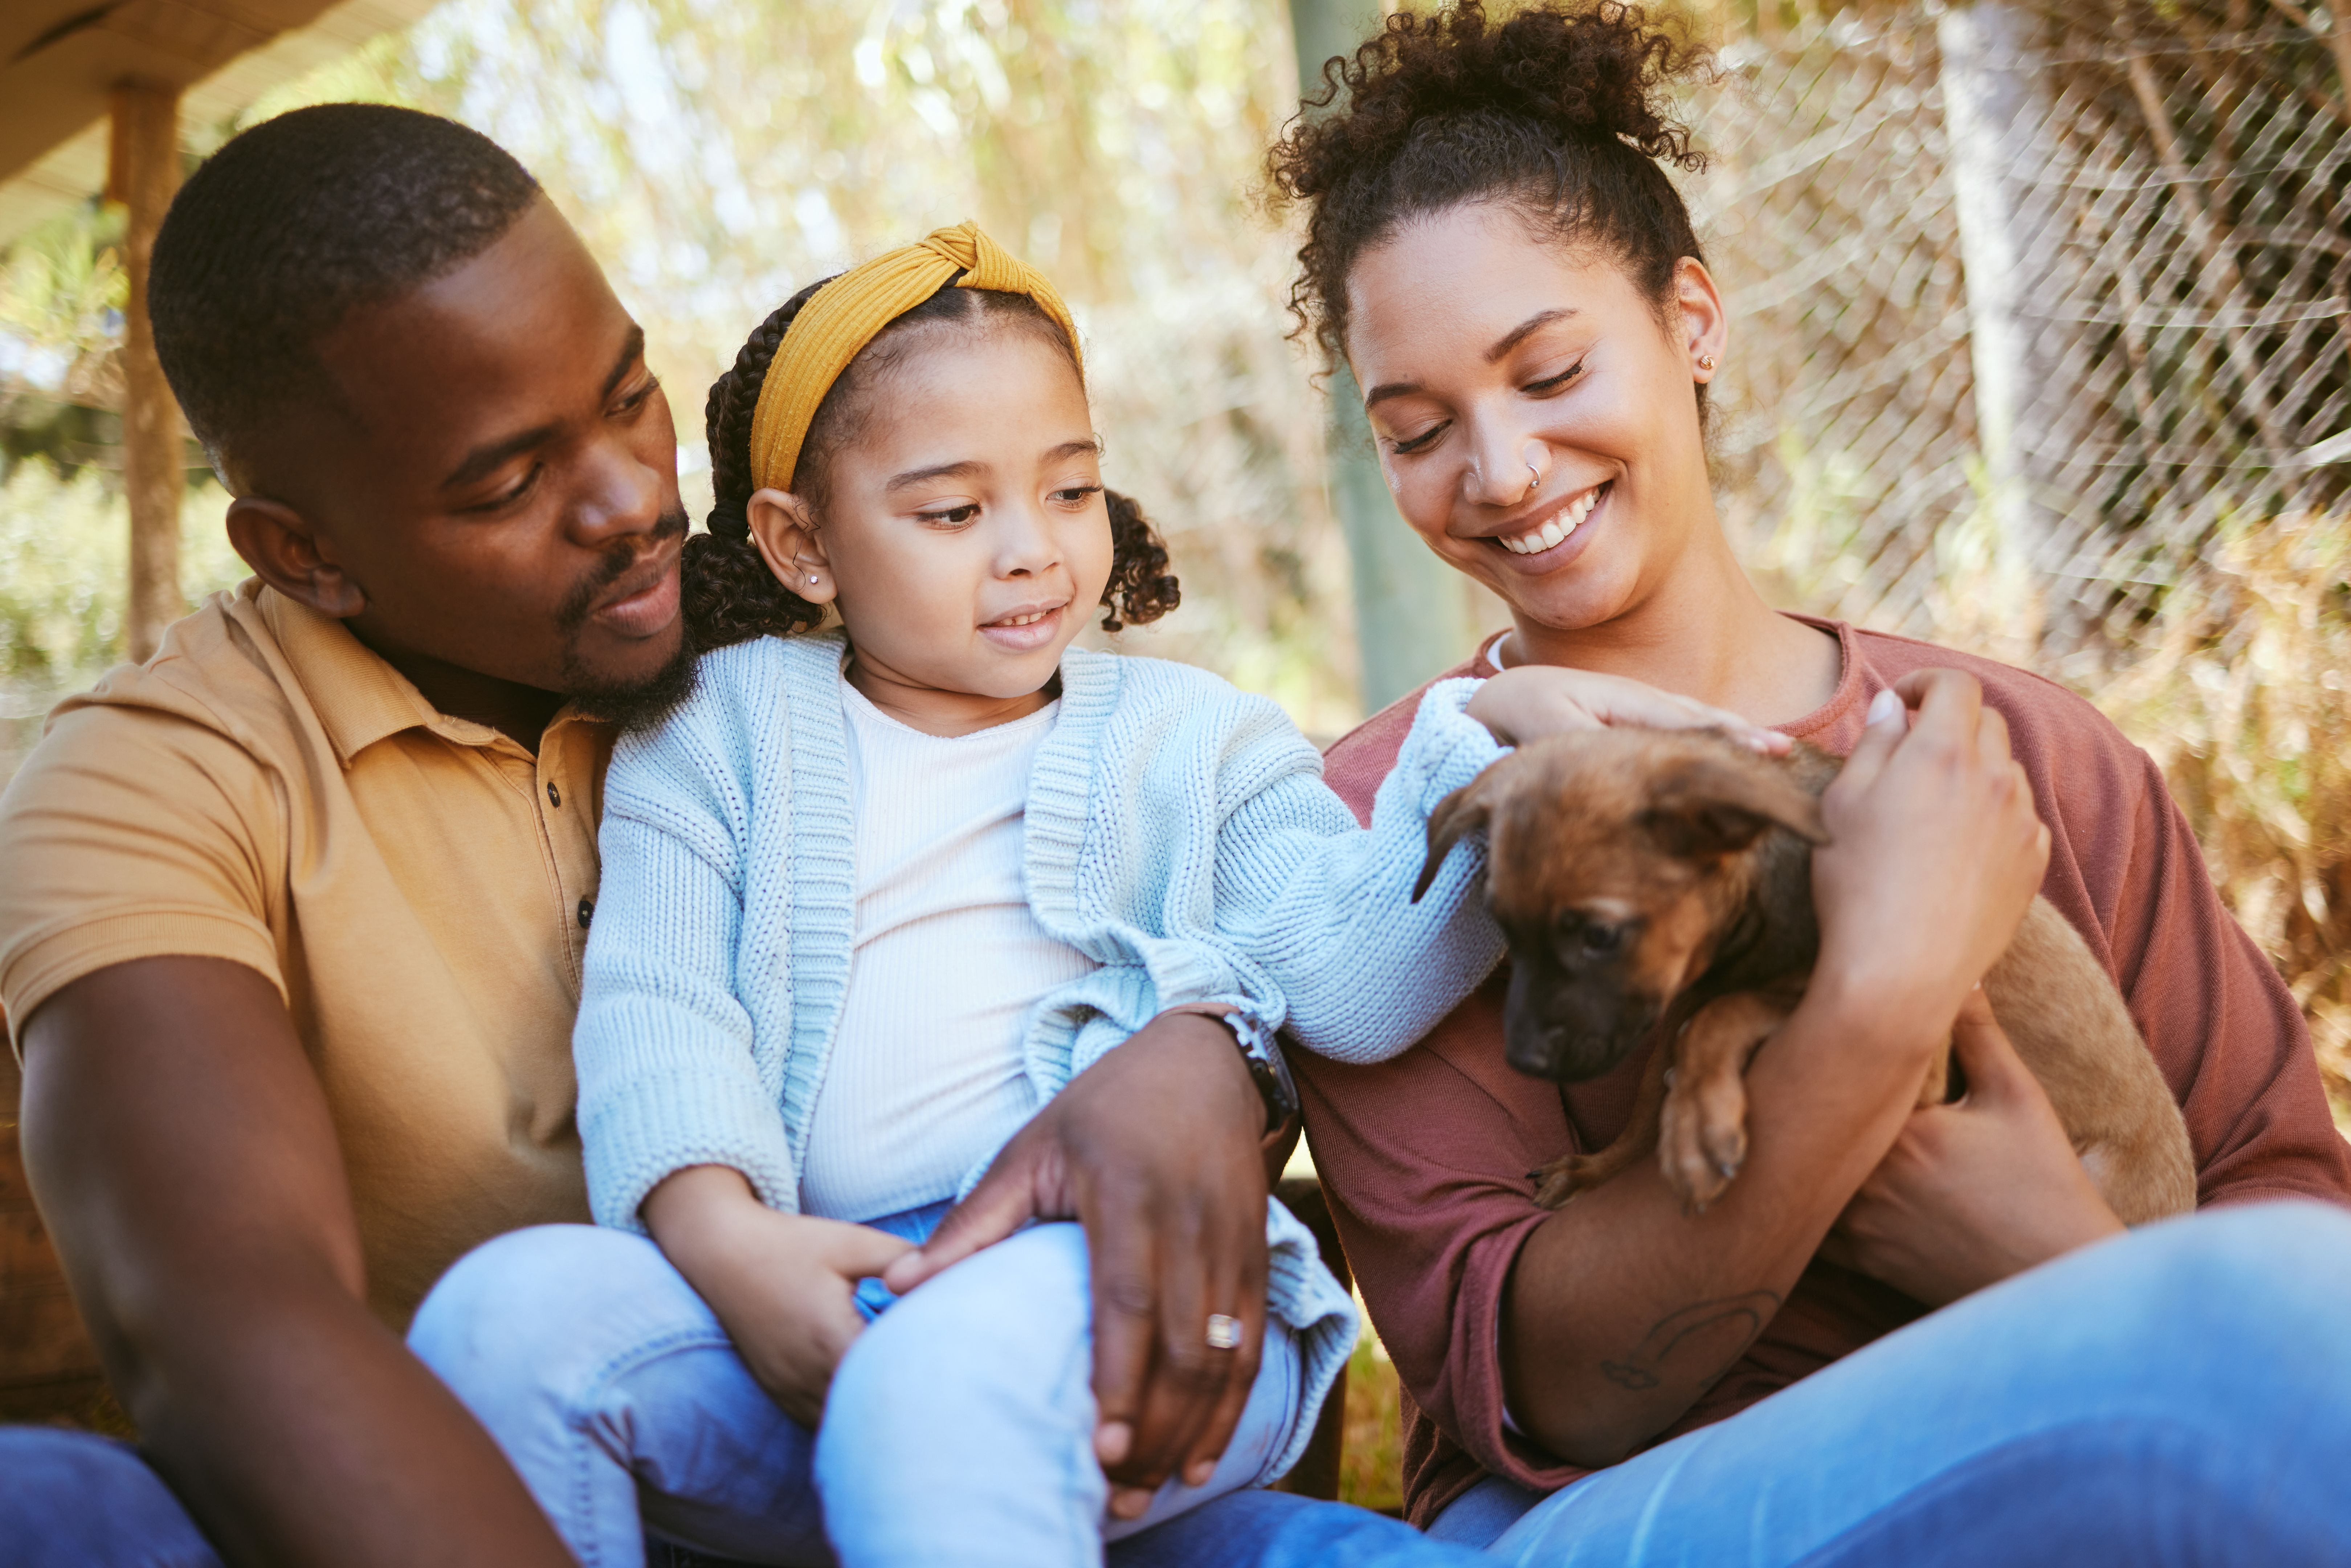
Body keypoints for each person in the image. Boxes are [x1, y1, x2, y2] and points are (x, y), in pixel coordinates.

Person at [0, 107, 1456, 1568]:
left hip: (1054, 1351)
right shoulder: (178, 781)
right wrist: (718, 1228)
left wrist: (1217, 1041)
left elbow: (1320, 933)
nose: (635, 500)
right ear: (304, 551)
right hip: (612, 1439)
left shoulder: (991, 678)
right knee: (405, 1362)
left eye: (629, 394)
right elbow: (232, 1313)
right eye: (508, 482)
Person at [402, 221, 1782, 1568]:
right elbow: (658, 1003)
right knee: (501, 1325)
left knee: (941, 1395)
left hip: (1131, 1286)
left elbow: (1347, 985)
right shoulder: (716, 729)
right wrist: (728, 1245)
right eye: (955, 512)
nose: (1033, 550)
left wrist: (1486, 728)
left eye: (1070, 491)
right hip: (815, 1286)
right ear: (801, 545)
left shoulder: (1198, 740)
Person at [1262, 5, 2351, 1563]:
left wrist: (2045, 1256)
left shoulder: (2013, 753)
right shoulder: (1371, 835)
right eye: (1418, 429)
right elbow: (1544, 1388)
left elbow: (2286, 1217)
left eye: (1551, 370)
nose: (1500, 471)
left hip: (2076, 1443)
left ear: (1693, 321)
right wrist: (1877, 1012)